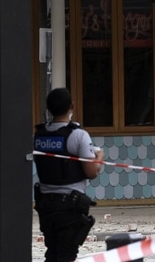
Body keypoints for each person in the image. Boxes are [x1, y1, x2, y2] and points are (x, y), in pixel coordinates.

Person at [33, 88, 104, 262]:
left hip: (45, 205)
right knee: (66, 254)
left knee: (52, 252)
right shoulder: (78, 135)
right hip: (69, 207)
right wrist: (100, 157)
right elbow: (91, 172)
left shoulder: (38, 134)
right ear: (72, 106)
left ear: (49, 109)